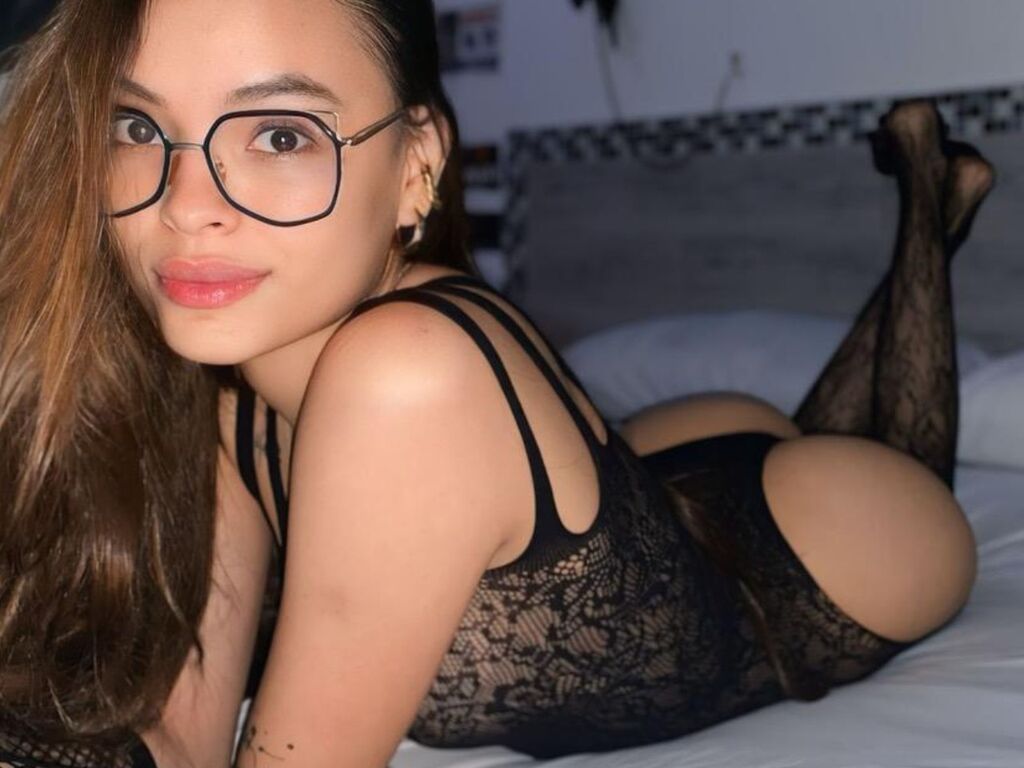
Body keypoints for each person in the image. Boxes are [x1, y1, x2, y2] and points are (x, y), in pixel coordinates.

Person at [0, 0, 987, 766]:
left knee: (901, 446)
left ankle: (929, 213)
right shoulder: (229, 394)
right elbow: (188, 726)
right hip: (665, 482)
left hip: (834, 538)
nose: (185, 207)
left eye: (281, 135)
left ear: (416, 166)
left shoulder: (406, 378)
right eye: (138, 127)